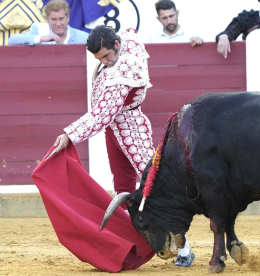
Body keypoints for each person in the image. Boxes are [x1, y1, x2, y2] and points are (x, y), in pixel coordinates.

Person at [49, 24, 195, 268]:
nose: (105, 63)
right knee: (123, 189)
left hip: (131, 128)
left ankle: (184, 249)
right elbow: (129, 30)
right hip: (114, 131)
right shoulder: (126, 42)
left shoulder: (124, 68)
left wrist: (70, 134)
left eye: (106, 56)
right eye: (99, 59)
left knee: (155, 185)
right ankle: (127, 243)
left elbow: (103, 114)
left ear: (116, 45)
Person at [8, 0, 88, 45]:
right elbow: (12, 40)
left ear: (68, 18)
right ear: (47, 19)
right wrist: (42, 38)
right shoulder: (39, 30)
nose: (58, 23)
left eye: (61, 19)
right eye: (53, 19)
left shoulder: (84, 38)